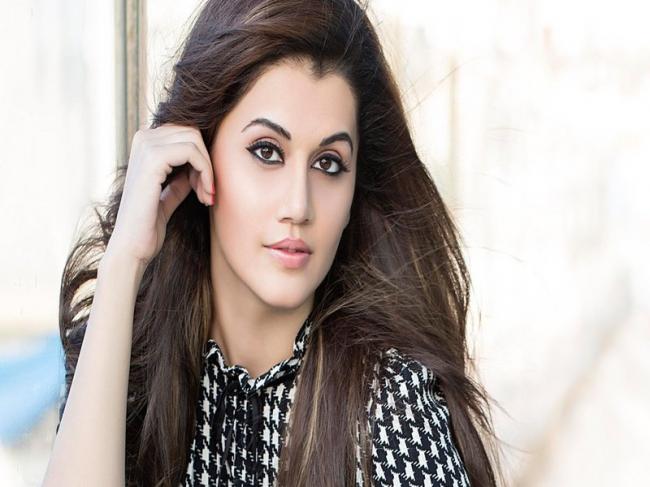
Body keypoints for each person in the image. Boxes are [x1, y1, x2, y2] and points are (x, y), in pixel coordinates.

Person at [44, 1, 504, 486]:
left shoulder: (394, 405)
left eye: (328, 163)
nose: (299, 205)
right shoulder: (124, 357)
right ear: (199, 156)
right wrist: (123, 261)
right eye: (267, 152)